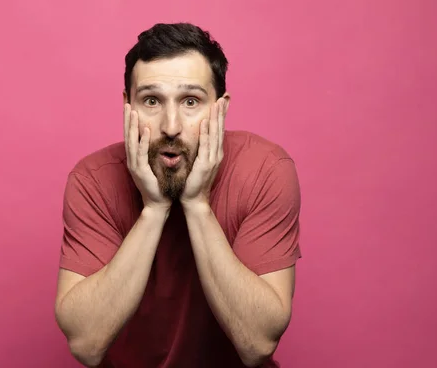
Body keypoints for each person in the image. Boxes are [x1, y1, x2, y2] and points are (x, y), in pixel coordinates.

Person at [54, 22, 302, 368]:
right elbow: (86, 344)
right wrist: (153, 209)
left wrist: (197, 204)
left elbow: (257, 344)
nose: (171, 126)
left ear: (221, 108)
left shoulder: (266, 169)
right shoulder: (92, 180)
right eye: (151, 101)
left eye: (190, 101)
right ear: (128, 107)